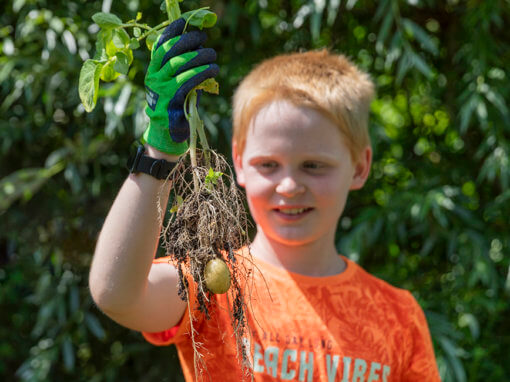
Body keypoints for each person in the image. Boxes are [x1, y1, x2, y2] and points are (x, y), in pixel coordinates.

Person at [89, 18, 441, 382]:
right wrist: (158, 154)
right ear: (239, 162)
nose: (288, 185)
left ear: (360, 167)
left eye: (313, 166)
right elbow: (115, 294)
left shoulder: (398, 316)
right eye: (268, 165)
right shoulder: (212, 286)